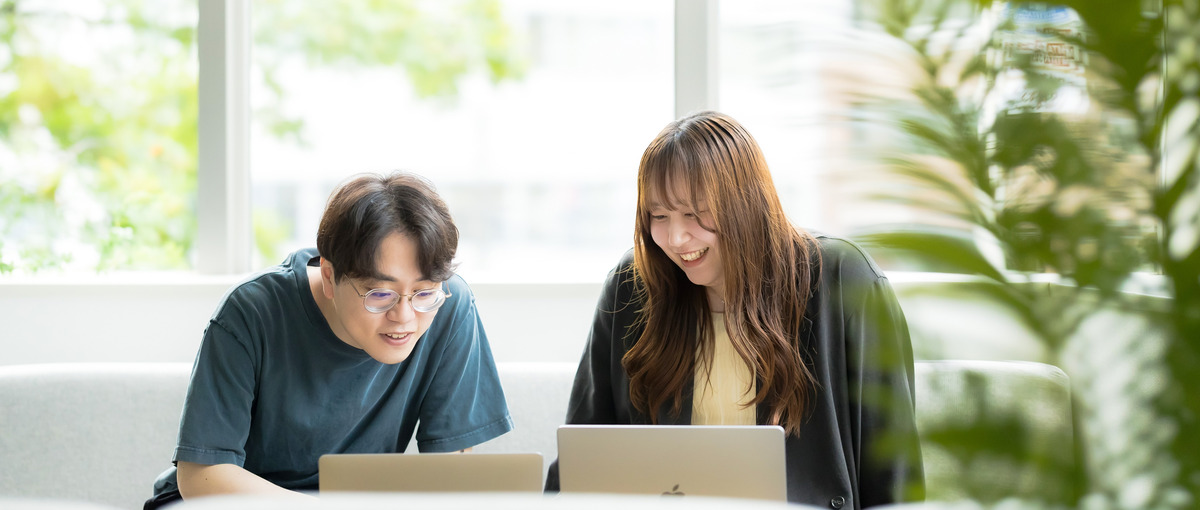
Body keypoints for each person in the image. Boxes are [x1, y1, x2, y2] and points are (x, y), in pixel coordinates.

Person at [545, 111, 925, 509]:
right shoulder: (632, 289)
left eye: (694, 213)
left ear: (745, 203)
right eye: (659, 216)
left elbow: (894, 472)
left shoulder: (844, 281)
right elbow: (581, 457)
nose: (676, 238)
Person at [145, 172, 513, 509]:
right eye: (380, 295)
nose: (404, 317)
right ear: (330, 273)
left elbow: (448, 468)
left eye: (423, 293)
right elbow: (201, 477)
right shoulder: (253, 312)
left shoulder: (449, 305)